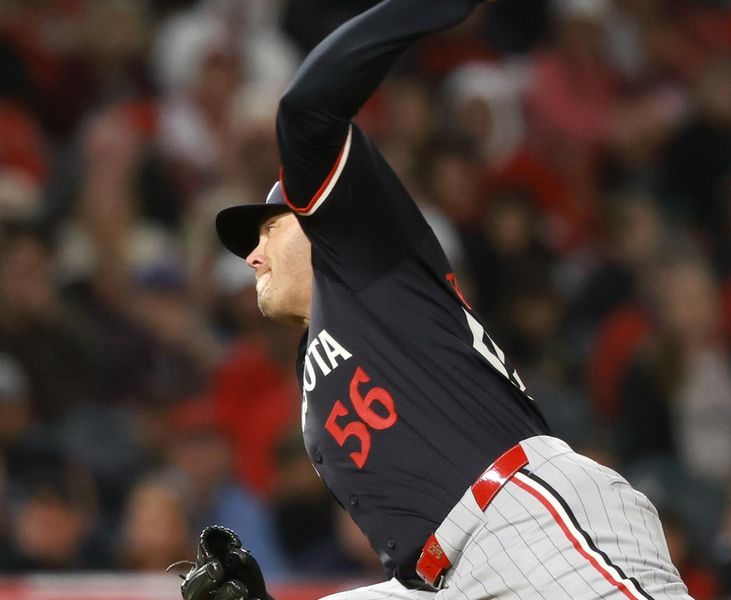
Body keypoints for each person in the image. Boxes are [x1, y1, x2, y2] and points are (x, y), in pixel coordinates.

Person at [201, 0, 694, 598]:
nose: (252, 255)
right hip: (451, 574)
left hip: (522, 515)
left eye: (267, 230)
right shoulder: (323, 358)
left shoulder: (362, 262)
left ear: (317, 220)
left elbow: (306, 108)